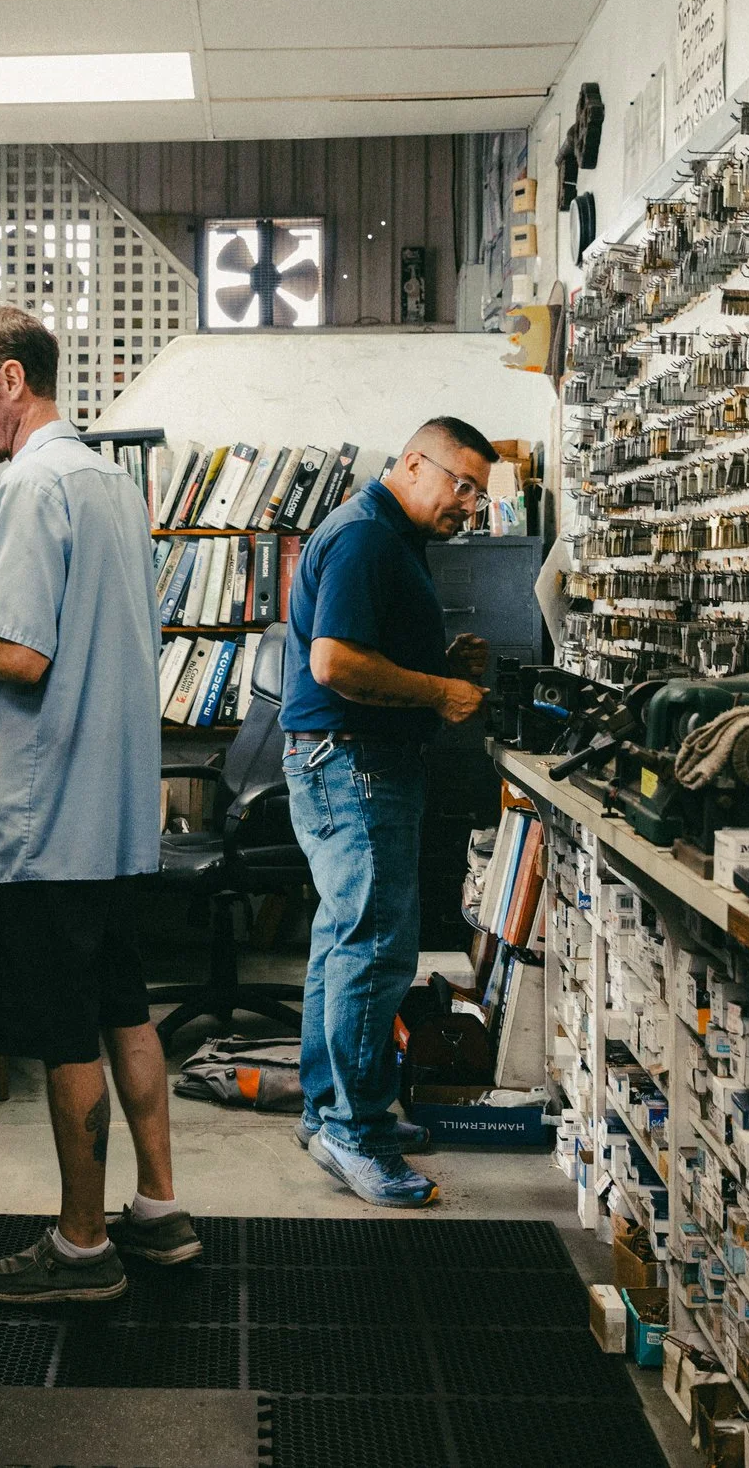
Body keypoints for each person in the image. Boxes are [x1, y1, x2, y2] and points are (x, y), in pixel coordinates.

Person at [0, 306, 196, 1301]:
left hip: (47, 815)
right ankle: (158, 1210)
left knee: (64, 1027)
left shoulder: (33, 482)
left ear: (11, 381)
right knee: (124, 1005)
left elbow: (23, 655)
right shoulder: (109, 480)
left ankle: (81, 1245)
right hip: (113, 808)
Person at [278, 417, 496, 1208]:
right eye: (460, 483)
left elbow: (365, 649)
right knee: (374, 947)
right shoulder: (369, 537)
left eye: (479, 491)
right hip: (354, 759)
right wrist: (440, 693)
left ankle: (327, 1108)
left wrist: (440, 664)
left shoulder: (387, 534)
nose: (469, 504)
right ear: (412, 463)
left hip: (344, 756)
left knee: (343, 937)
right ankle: (356, 1130)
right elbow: (334, 662)